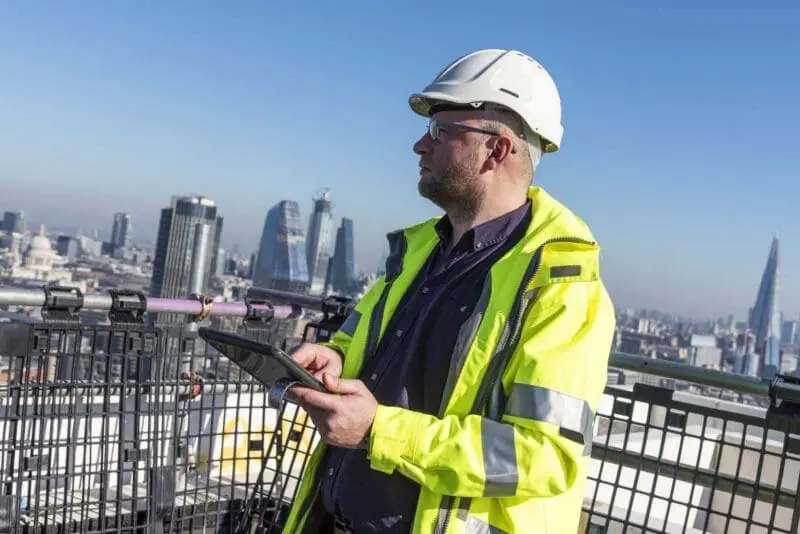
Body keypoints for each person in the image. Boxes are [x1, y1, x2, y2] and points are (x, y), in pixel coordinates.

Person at [282, 48, 616, 534]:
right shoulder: (419, 253)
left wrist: (379, 430)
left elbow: (545, 456)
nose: (420, 145)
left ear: (496, 150)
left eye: (441, 130)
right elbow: (370, 357)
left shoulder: (561, 289)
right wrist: (333, 360)